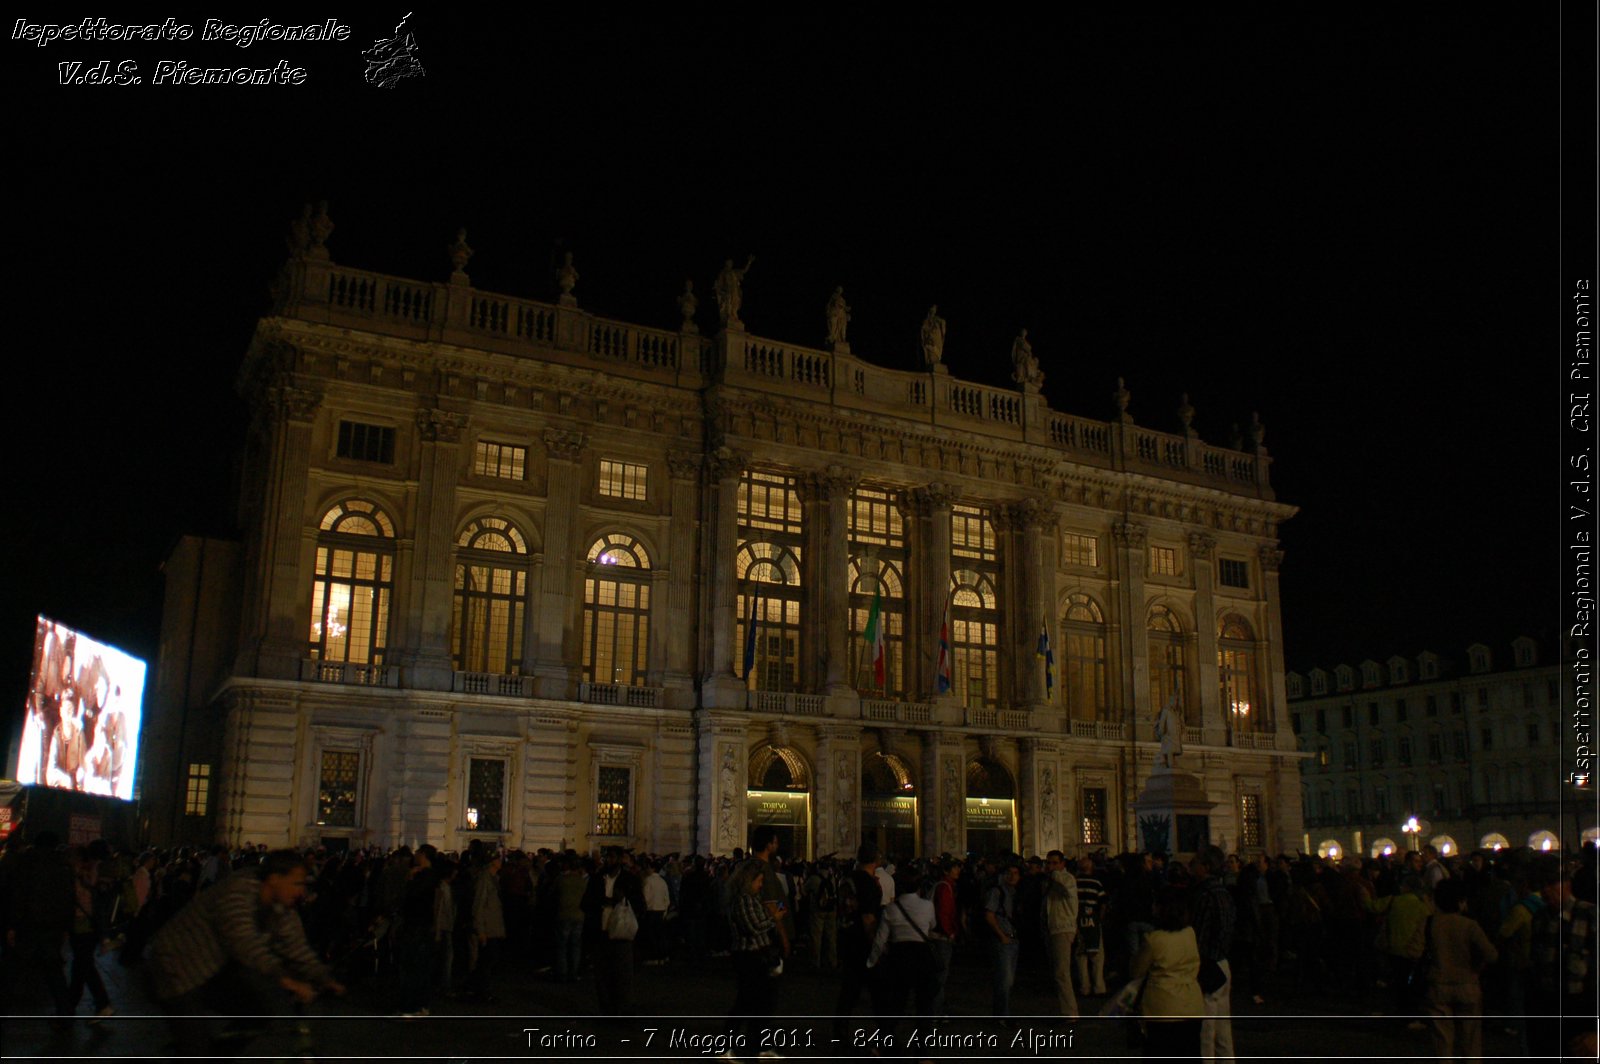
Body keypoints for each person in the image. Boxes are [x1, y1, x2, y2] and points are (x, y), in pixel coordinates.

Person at [147, 850, 344, 1054]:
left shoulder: (281, 905)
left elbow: (295, 945)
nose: (301, 892)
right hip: (174, 966)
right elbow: (245, 944)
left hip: (212, 968)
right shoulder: (238, 891)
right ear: (275, 879)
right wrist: (285, 979)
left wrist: (323, 977)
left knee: (259, 1014)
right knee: (196, 1047)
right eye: (296, 883)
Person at [1421, 877, 1496, 1061]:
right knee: (1470, 1040)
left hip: (1438, 984)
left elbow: (1413, 951)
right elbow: (1492, 954)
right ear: (1460, 901)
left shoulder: (1429, 924)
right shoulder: (1469, 925)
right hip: (1467, 983)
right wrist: (1477, 968)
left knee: (1443, 1041)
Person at [1130, 885, 1205, 1059]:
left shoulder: (1153, 940)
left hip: (1163, 1008)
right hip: (1191, 1004)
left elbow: (1136, 971)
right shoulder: (1189, 933)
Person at [833, 841, 885, 1038]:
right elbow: (868, 918)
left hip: (846, 938)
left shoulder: (848, 878)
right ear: (875, 859)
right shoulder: (868, 883)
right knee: (880, 993)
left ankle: (840, 1033)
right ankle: (885, 1035)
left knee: (849, 991)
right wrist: (876, 947)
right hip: (863, 943)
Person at [1190, 845, 1236, 1062]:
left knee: (1205, 1031)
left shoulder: (1204, 894)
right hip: (1223, 962)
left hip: (1206, 963)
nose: (1192, 865)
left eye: (1196, 861)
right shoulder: (1224, 892)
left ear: (1206, 866)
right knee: (1223, 1029)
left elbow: (1199, 932)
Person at [874, 868, 939, 1018]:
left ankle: (890, 1034)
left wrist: (873, 960)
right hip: (921, 953)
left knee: (898, 998)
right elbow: (932, 925)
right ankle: (923, 1037)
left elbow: (881, 938)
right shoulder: (927, 905)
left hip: (899, 953)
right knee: (924, 1001)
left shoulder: (891, 908)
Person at [728, 859, 779, 1044]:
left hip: (757, 953)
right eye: (759, 881)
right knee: (746, 1001)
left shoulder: (752, 899)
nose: (761, 885)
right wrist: (773, 918)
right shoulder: (743, 900)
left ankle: (755, 1040)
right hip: (748, 954)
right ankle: (730, 1042)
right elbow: (754, 926)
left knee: (756, 1001)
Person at [1044, 850, 1080, 1018]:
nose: (1051, 867)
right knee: (1058, 971)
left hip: (1063, 928)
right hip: (1054, 928)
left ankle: (1070, 1012)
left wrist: (1055, 875)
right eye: (1049, 863)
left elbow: (1066, 890)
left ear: (1062, 864)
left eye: (1055, 863)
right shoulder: (1051, 881)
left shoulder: (1067, 879)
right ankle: (1063, 1009)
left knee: (1062, 972)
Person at [984, 862, 1023, 1017]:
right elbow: (989, 915)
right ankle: (1002, 1015)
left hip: (1013, 939)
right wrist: (1001, 935)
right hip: (1003, 940)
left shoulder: (1015, 892)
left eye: (1016, 873)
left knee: (1008, 980)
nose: (1012, 876)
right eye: (1009, 872)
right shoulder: (997, 891)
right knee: (1004, 980)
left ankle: (1001, 1012)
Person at [467, 851, 506, 1003]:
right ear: (491, 862)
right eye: (498, 859)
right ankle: (481, 991)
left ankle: (479, 988)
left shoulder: (493, 878)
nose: (500, 861)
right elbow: (478, 905)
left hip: (493, 927)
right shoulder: (485, 879)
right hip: (487, 928)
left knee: (488, 960)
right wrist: (480, 930)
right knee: (486, 961)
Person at [1074, 855, 1108, 997]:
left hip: (1078, 922)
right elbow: (1103, 903)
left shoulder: (1074, 882)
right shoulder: (1096, 883)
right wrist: (1099, 918)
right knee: (1097, 956)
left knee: (1080, 955)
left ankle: (1084, 987)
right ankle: (1099, 987)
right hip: (1093, 921)